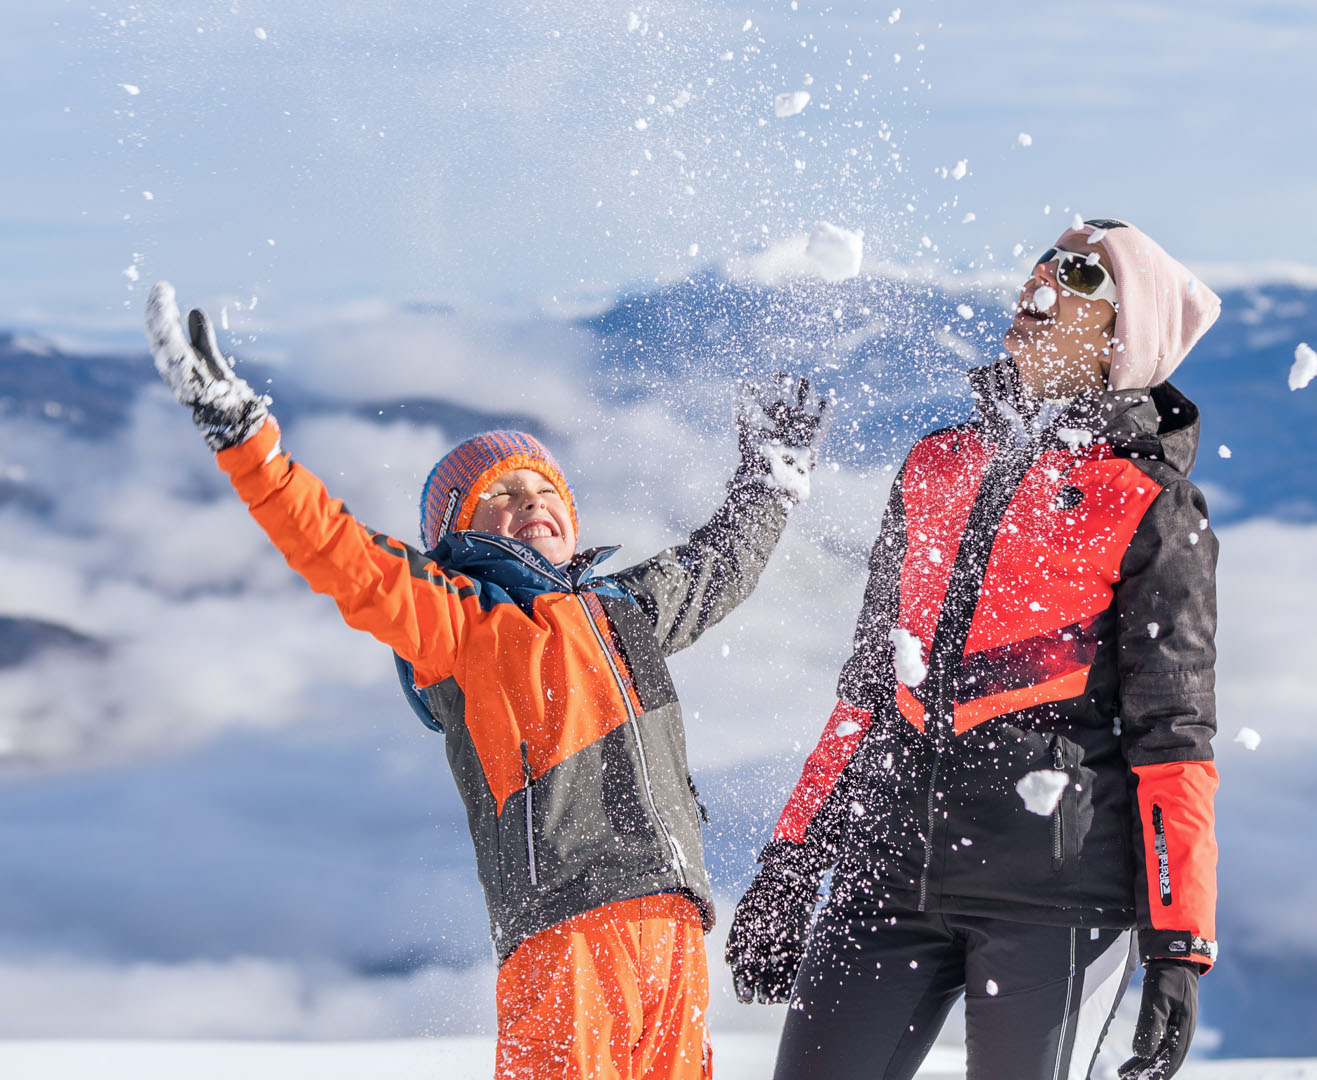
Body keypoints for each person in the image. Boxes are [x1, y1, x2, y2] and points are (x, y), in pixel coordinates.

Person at [143, 281, 830, 1080]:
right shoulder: (460, 624)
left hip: (674, 934)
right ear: (456, 534)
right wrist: (245, 440)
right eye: (500, 492)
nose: (530, 499)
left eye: (544, 488)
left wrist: (770, 483)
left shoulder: (624, 611)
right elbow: (337, 553)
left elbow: (721, 564)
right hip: (566, 936)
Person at [726, 219, 1222, 1080]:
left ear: (1124, 333)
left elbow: (1174, 737)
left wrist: (1181, 945)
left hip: (1057, 901)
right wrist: (794, 858)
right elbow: (870, 688)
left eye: (1080, 276)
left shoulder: (1149, 504)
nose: (1041, 281)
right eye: (1042, 261)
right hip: (886, 878)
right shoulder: (935, 465)